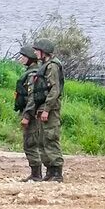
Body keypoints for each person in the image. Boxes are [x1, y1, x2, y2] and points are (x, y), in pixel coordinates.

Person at [33, 38, 65, 182]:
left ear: (43, 52)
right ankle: (49, 171)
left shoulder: (52, 66)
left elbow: (54, 90)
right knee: (42, 140)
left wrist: (46, 109)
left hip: (50, 109)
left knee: (51, 138)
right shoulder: (45, 65)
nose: (35, 53)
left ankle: (57, 172)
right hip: (42, 108)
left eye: (37, 50)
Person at [14, 46, 45, 181]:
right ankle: (36, 173)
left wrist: (27, 116)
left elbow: (32, 98)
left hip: (31, 113)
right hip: (30, 111)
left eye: (23, 57)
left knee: (30, 143)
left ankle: (36, 174)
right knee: (31, 143)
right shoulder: (32, 72)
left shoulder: (32, 75)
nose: (21, 59)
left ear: (29, 59)